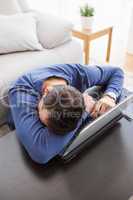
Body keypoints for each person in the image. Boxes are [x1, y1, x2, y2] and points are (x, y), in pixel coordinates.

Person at [8, 64, 124, 164]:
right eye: (44, 121)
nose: (46, 127)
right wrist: (85, 112)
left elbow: (116, 72)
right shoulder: (21, 93)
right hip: (21, 132)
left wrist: (110, 96)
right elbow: (41, 153)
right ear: (46, 91)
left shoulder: (79, 74)